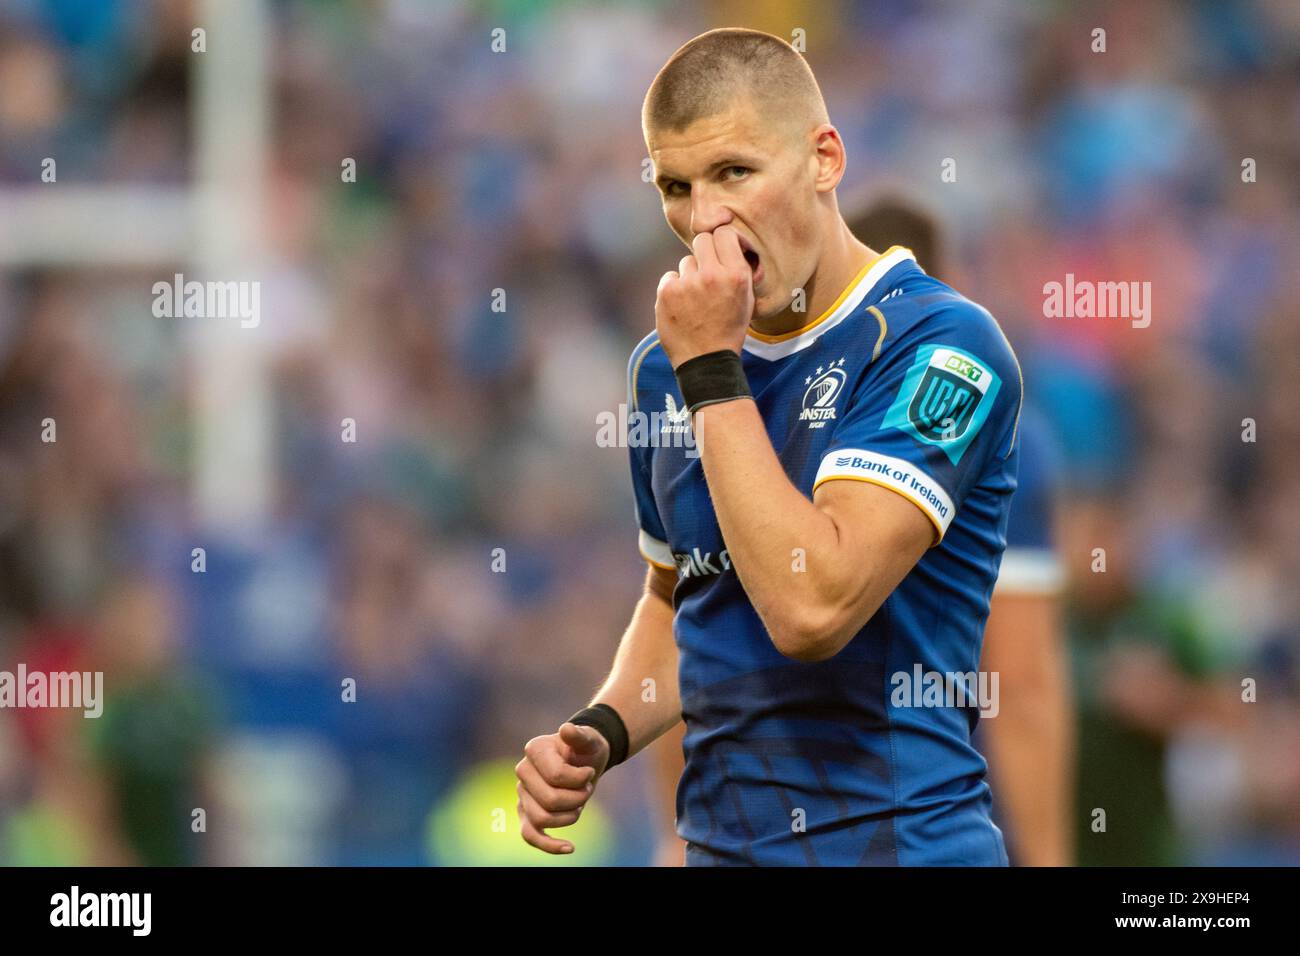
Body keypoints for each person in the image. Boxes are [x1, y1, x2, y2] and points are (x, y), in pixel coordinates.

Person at [517, 27, 1023, 865]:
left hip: (903, 848)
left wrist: (714, 374)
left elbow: (811, 609)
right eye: (675, 186)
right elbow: (685, 593)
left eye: (734, 173)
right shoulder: (664, 367)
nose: (704, 217)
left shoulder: (939, 345)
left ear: (824, 159)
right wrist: (604, 727)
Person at [648, 196, 1075, 866]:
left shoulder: (735, 418)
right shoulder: (986, 411)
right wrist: (1048, 858)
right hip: (920, 822)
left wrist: (675, 837)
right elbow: (1017, 679)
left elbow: (687, 642)